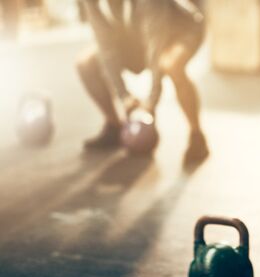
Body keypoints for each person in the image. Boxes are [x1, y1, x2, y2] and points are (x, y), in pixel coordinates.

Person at [77, 0, 208, 163]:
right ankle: (114, 127)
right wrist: (124, 97)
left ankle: (197, 136)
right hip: (135, 35)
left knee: (170, 64)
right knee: (86, 63)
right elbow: (106, 47)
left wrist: (152, 102)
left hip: (181, 29)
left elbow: (155, 43)